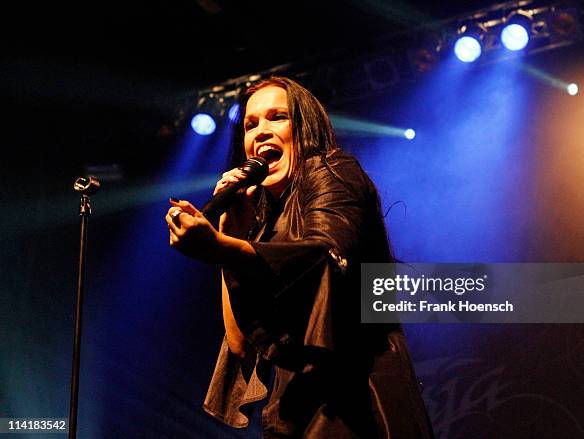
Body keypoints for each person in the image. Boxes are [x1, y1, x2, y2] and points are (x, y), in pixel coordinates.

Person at [165, 76, 434, 438]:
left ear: (304, 126)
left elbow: (324, 256)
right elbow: (241, 345)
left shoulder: (331, 170)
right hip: (295, 407)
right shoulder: (261, 227)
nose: (260, 131)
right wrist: (230, 238)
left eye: (277, 117)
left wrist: (220, 247)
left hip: (356, 401)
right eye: (250, 124)